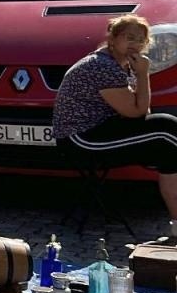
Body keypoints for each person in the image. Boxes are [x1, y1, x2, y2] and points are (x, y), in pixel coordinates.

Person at [53, 14, 177, 231]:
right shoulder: (103, 66)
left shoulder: (120, 64)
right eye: (129, 38)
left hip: (99, 130)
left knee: (167, 133)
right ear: (113, 38)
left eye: (141, 40)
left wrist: (139, 74)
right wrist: (143, 75)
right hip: (81, 140)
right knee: (167, 134)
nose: (135, 44)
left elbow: (143, 113)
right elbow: (137, 112)